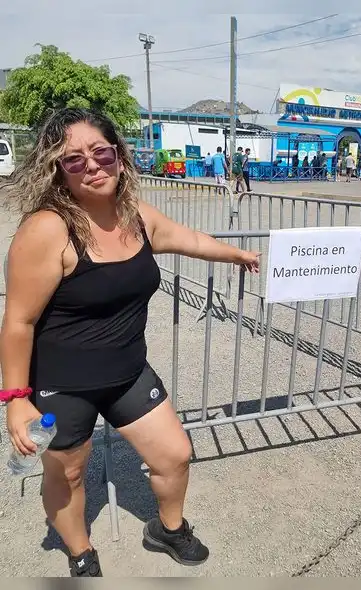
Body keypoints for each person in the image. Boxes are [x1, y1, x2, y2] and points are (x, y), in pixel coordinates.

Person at [0, 108, 260, 577]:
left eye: (101, 152)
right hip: (63, 384)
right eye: (74, 160)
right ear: (57, 169)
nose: (92, 165)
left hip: (128, 373)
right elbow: (17, 322)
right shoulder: (46, 229)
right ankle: (80, 552)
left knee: (175, 455)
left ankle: (168, 528)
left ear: (119, 156)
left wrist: (237, 253)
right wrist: (16, 400)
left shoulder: (136, 216)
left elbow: (188, 239)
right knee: (69, 474)